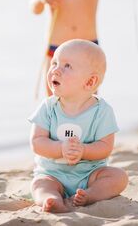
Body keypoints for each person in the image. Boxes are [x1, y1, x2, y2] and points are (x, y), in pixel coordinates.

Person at [28, 39, 128, 213]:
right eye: (55, 63)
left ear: (89, 82)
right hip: (53, 174)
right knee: (39, 184)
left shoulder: (102, 111)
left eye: (67, 66)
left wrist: (83, 151)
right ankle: (51, 198)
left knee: (119, 177)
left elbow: (105, 147)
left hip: (89, 175)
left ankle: (90, 194)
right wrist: (60, 148)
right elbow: (37, 142)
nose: (56, 70)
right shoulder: (48, 107)